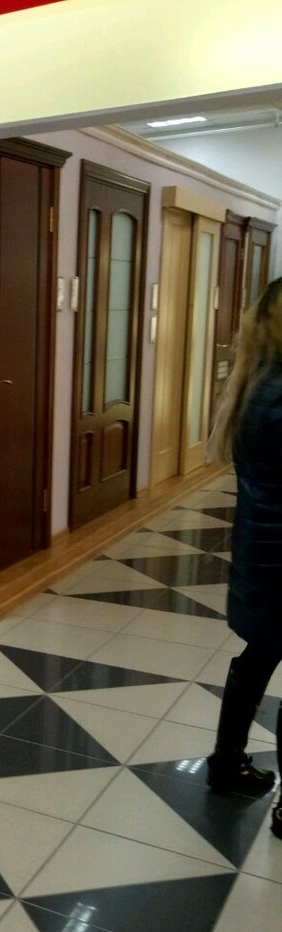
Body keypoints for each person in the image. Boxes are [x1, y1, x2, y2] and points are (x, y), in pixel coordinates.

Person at [205, 277, 282, 840]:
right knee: (260, 658)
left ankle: (226, 761)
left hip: (262, 555)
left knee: (258, 657)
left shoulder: (254, 385)